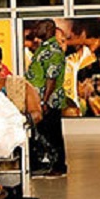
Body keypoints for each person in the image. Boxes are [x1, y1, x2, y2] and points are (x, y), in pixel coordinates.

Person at [25, 19, 68, 178]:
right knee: (43, 133)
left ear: (49, 29)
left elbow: (52, 78)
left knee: (52, 133)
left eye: (39, 27)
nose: (36, 30)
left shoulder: (53, 50)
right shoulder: (43, 48)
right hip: (38, 99)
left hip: (48, 101)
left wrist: (43, 100)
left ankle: (58, 166)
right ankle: (45, 163)